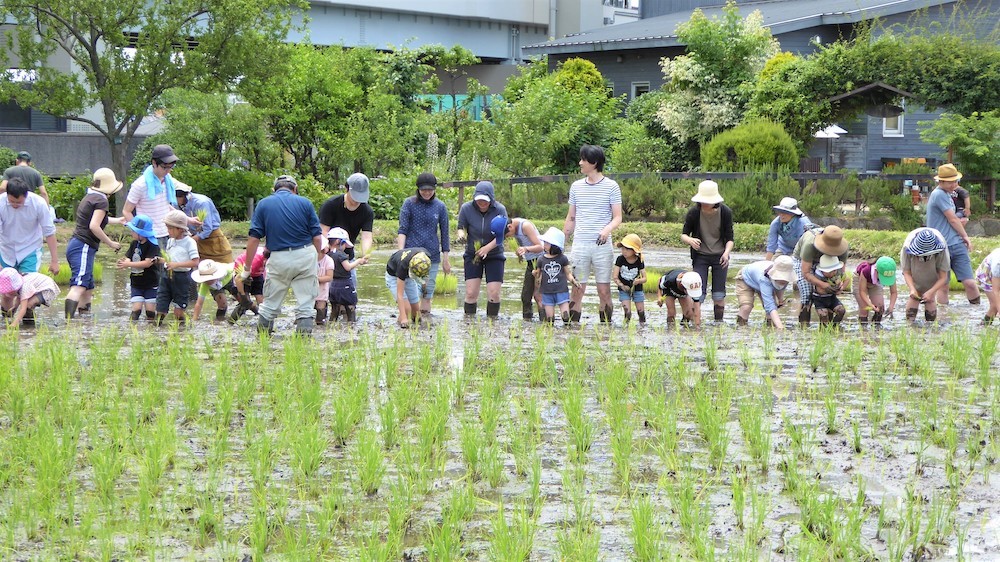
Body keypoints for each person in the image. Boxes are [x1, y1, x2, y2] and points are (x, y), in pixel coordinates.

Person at [244, 175, 323, 334]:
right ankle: (303, 344)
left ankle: (263, 342)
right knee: (306, 306)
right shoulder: (305, 203)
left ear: (274, 189)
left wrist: (247, 268)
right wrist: (317, 258)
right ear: (295, 189)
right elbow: (317, 237)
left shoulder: (264, 204)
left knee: (269, 305)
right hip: (305, 254)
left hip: (278, 257)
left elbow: (253, 239)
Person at [563, 145, 622, 323]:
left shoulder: (612, 186)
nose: (580, 163)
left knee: (603, 291)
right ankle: (573, 327)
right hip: (580, 245)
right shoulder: (576, 187)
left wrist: (606, 229)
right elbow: (571, 217)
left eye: (583, 159)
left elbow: (618, 217)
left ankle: (606, 328)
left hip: (602, 246)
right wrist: (562, 241)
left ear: (594, 162)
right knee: (577, 289)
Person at [65, 168, 127, 319]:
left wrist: (118, 220)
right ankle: (68, 323)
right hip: (83, 246)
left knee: (87, 286)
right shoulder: (101, 200)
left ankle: (84, 319)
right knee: (79, 285)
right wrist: (110, 243)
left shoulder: (90, 197)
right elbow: (94, 226)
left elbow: (97, 219)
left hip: (77, 244)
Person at [397, 172, 451, 314]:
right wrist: (400, 253)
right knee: (413, 292)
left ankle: (426, 322)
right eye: (423, 190)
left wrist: (446, 259)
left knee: (427, 292)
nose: (427, 193)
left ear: (434, 189)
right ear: (418, 189)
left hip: (432, 255)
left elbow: (445, 233)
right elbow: (402, 229)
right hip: (412, 254)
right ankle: (412, 319)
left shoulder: (440, 206)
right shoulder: (409, 204)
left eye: (430, 190)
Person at [681, 180, 734, 322]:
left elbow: (730, 238)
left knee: (719, 294)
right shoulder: (694, 213)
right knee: (697, 292)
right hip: (700, 256)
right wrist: (690, 240)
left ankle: (718, 323)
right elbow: (684, 234)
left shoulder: (725, 212)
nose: (704, 204)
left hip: (720, 256)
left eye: (708, 201)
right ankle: (692, 322)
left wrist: (726, 253)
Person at [926, 163, 980, 305]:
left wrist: (960, 227)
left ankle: (977, 311)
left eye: (955, 181)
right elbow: (952, 219)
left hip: (956, 243)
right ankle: (944, 314)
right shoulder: (939, 194)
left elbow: (952, 220)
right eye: (950, 182)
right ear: (941, 181)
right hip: (941, 246)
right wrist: (965, 236)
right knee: (943, 284)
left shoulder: (948, 194)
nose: (954, 185)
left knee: (970, 282)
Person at [456, 181, 507, 318]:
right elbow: (461, 227)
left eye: (485, 200)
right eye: (479, 200)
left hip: (494, 254)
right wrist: (461, 235)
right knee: (471, 293)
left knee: (494, 293)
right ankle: (469, 322)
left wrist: (487, 248)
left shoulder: (499, 210)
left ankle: (492, 322)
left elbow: (502, 235)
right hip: (473, 254)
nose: (482, 203)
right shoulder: (466, 208)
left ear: (491, 199)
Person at [791, 225, 849, 327]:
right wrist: (823, 284)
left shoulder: (843, 248)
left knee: (831, 289)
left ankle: (828, 327)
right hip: (803, 259)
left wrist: (840, 286)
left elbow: (841, 273)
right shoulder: (809, 244)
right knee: (807, 293)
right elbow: (806, 273)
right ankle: (804, 326)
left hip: (829, 263)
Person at [0, 177, 59, 276]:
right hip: (6, 250)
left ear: (26, 195)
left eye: (19, 202)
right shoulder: (1, 202)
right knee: (7, 283)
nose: (15, 205)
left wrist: (54, 261)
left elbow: (49, 232)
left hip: (30, 249)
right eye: (12, 201)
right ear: (7, 195)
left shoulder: (38, 203)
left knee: (29, 282)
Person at [123, 144, 180, 246]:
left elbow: (165, 206)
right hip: (149, 236)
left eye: (171, 167)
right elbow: (126, 211)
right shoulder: (140, 184)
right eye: (164, 167)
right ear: (154, 163)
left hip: (168, 233)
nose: (168, 171)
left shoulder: (168, 180)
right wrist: (139, 232)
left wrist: (187, 219)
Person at [320, 172, 375, 271]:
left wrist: (365, 254)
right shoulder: (330, 205)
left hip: (348, 257)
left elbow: (366, 236)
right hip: (327, 256)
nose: (357, 200)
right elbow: (323, 230)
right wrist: (327, 248)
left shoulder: (367, 212)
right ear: (347, 189)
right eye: (355, 196)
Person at [155, 210, 200, 326]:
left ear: (180, 229)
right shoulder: (170, 241)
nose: (168, 231)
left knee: (178, 312)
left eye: (170, 228)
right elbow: (170, 259)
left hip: (182, 278)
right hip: (166, 276)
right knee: (160, 308)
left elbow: (195, 262)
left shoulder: (189, 242)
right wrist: (161, 260)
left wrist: (177, 264)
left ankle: (184, 330)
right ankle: (156, 330)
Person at [174, 180, 233, 263]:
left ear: (181, 196)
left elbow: (207, 228)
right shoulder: (176, 205)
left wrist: (189, 241)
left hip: (213, 239)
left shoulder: (201, 203)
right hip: (196, 240)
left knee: (224, 265)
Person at [900, 227, 950, 323]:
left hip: (935, 261)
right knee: (914, 295)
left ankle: (930, 325)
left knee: (930, 298)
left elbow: (943, 277)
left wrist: (931, 292)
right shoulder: (907, 247)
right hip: (913, 261)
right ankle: (910, 324)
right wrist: (912, 289)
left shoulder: (942, 249)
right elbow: (907, 272)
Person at [117, 215, 161, 322]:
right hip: (136, 283)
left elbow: (147, 263)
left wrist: (129, 264)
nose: (131, 232)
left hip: (150, 283)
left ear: (141, 233)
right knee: (136, 310)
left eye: (133, 231)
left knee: (150, 312)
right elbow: (128, 257)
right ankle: (132, 328)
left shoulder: (153, 245)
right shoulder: (134, 244)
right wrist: (124, 262)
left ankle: (151, 328)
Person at [734, 256, 795, 331]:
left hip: (760, 281)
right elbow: (769, 305)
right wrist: (781, 328)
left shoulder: (786, 277)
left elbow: (781, 287)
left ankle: (769, 330)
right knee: (746, 307)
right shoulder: (764, 279)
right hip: (745, 278)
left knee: (772, 312)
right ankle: (741, 329)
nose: (784, 280)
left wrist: (780, 299)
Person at [533, 228, 580, 325]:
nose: (544, 245)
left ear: (554, 246)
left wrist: (574, 281)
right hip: (547, 292)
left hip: (561, 290)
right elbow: (538, 274)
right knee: (549, 318)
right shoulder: (541, 259)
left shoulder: (562, 258)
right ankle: (552, 332)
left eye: (547, 243)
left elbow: (568, 273)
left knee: (565, 315)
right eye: (544, 242)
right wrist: (535, 274)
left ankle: (567, 329)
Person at [505, 217, 545, 320]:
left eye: (507, 235)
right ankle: (527, 321)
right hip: (530, 262)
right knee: (526, 296)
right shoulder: (513, 228)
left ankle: (546, 322)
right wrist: (520, 254)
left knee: (538, 295)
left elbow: (540, 246)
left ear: (510, 227)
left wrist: (526, 249)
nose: (508, 237)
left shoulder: (525, 226)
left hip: (540, 261)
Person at [327, 227, 369, 322]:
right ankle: (351, 324)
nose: (345, 247)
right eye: (344, 244)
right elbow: (348, 267)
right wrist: (358, 261)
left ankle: (331, 324)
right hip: (345, 284)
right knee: (350, 305)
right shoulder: (341, 255)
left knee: (334, 307)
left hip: (333, 285)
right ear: (338, 241)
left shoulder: (328, 255)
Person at [385, 247, 432, 328]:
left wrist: (424, 287)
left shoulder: (426, 257)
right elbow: (400, 295)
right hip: (394, 277)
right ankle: (399, 327)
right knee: (407, 311)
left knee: (417, 316)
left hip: (408, 278)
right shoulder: (402, 265)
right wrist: (403, 319)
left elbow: (425, 275)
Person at [853, 256, 898, 328]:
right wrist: (870, 305)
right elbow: (862, 292)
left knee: (880, 308)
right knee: (864, 308)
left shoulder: (890, 273)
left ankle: (876, 328)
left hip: (875, 284)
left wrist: (891, 307)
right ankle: (863, 330)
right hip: (859, 280)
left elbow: (894, 292)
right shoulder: (866, 270)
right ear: (876, 271)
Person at [613, 233, 647, 323]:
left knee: (641, 313)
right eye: (623, 248)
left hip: (637, 289)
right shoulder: (620, 259)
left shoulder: (639, 260)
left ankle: (642, 328)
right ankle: (626, 328)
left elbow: (645, 278)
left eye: (627, 249)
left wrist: (638, 281)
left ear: (634, 250)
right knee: (627, 313)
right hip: (623, 289)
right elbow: (615, 277)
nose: (624, 251)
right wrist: (622, 286)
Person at [227, 248, 267, 324]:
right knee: (245, 302)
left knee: (262, 301)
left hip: (258, 273)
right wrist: (242, 295)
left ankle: (264, 323)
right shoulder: (254, 263)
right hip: (243, 269)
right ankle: (230, 323)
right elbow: (238, 279)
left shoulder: (272, 260)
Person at [810, 255, 848, 327]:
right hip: (819, 299)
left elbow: (847, 279)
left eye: (834, 270)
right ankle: (823, 330)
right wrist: (832, 288)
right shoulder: (818, 276)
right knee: (823, 315)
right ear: (822, 270)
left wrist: (841, 288)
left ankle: (834, 327)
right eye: (829, 271)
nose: (832, 273)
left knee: (841, 310)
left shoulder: (838, 273)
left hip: (832, 298)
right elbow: (820, 291)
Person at [976, 247, 1000, 325]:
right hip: (987, 274)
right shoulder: (998, 265)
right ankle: (984, 327)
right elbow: (996, 291)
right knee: (995, 306)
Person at [315, 242, 335, 325]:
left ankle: (320, 325)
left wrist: (315, 279)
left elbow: (329, 277)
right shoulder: (308, 259)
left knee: (320, 312)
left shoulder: (328, 260)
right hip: (307, 289)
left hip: (322, 291)